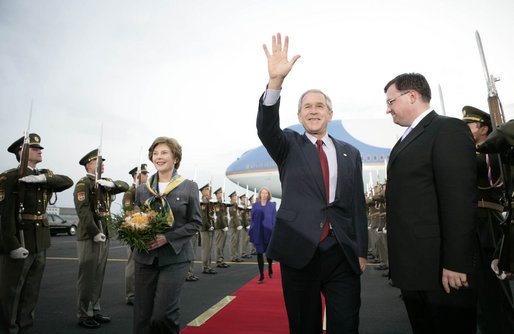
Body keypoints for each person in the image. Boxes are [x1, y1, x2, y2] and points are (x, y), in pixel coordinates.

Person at [257, 33, 368, 333]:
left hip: (342, 253)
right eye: (307, 107)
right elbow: (266, 127)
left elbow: (357, 203)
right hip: (299, 250)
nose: (314, 110)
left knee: (346, 324)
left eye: (320, 106)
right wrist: (275, 82)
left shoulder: (350, 153)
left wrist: (361, 250)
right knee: (304, 326)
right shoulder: (287, 145)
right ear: (299, 115)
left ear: (330, 114)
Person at [384, 73, 478, 333]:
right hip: (416, 268)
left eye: (391, 101)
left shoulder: (447, 129)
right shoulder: (409, 136)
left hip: (442, 270)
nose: (388, 109)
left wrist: (456, 263)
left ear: (411, 96)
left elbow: (459, 200)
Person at [0, 133, 73, 334]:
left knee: (31, 292)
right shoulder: (10, 177)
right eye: (34, 148)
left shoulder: (44, 175)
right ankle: (9, 329)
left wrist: (42, 178)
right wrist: (12, 245)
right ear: (21, 152)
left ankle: (25, 328)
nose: (40, 150)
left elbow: (66, 181)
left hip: (40, 241)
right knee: (12, 293)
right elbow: (4, 216)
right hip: (20, 239)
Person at [133, 136, 201, 334]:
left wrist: (167, 237)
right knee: (142, 317)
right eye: (155, 153)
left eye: (164, 153)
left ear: (175, 158)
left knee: (163, 315)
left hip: (175, 256)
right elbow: (135, 218)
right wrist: (136, 234)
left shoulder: (188, 186)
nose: (159, 157)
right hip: (145, 257)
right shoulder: (142, 190)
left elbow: (195, 222)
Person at [462, 106, 514, 333]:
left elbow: (474, 164)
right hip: (477, 221)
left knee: (493, 283)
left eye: (469, 126)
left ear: (484, 129)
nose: (464, 130)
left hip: (488, 222)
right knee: (481, 284)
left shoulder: (489, 152)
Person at [74, 149, 129, 329]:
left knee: (98, 275)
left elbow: (125, 185)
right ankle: (84, 313)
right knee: (88, 276)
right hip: (91, 236)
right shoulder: (84, 184)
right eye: (98, 162)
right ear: (88, 165)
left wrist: (110, 184)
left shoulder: (103, 183)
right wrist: (94, 232)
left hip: (103, 233)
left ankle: (94, 309)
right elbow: (83, 211)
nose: (102, 164)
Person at [122, 164, 149, 305]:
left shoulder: (145, 191)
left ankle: (140, 293)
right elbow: (128, 211)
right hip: (134, 231)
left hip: (144, 231)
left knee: (142, 264)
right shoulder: (130, 192)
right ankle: (131, 295)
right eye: (145, 174)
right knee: (132, 264)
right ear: (137, 176)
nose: (147, 176)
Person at [248, 187, 276, 284]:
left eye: (266, 193)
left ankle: (270, 267)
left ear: (268, 195)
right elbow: (252, 220)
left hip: (268, 232)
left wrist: (274, 233)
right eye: (262, 193)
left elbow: (274, 220)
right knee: (259, 253)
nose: (264, 195)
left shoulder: (272, 206)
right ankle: (261, 275)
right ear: (260, 195)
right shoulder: (255, 205)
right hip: (258, 232)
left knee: (268, 254)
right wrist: (250, 232)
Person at [199, 184, 216, 274]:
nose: (209, 192)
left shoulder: (209, 201)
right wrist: (209, 226)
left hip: (210, 226)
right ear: (203, 192)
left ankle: (208, 266)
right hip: (205, 228)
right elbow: (203, 217)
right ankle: (205, 267)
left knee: (209, 248)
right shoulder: (203, 202)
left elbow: (211, 215)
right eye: (207, 190)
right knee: (206, 249)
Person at [213, 187, 230, 268]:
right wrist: (223, 226)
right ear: (217, 195)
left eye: (221, 193)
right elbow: (219, 215)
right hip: (220, 226)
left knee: (222, 244)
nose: (221, 194)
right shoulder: (217, 203)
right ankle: (219, 260)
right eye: (219, 193)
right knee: (219, 244)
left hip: (224, 225)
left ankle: (221, 259)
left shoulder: (222, 203)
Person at [228, 191, 243, 262]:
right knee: (233, 242)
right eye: (234, 196)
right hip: (234, 225)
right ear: (232, 197)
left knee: (236, 241)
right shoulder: (232, 204)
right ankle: (233, 257)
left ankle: (236, 256)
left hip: (236, 225)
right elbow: (234, 215)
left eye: (236, 196)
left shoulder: (235, 204)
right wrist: (238, 225)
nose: (236, 197)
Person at [239, 194, 251, 259]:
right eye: (243, 198)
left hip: (246, 224)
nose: (244, 199)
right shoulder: (240, 206)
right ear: (241, 199)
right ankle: (243, 253)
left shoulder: (245, 206)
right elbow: (242, 217)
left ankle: (244, 252)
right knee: (244, 240)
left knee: (246, 240)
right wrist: (245, 224)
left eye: (245, 198)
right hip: (243, 225)